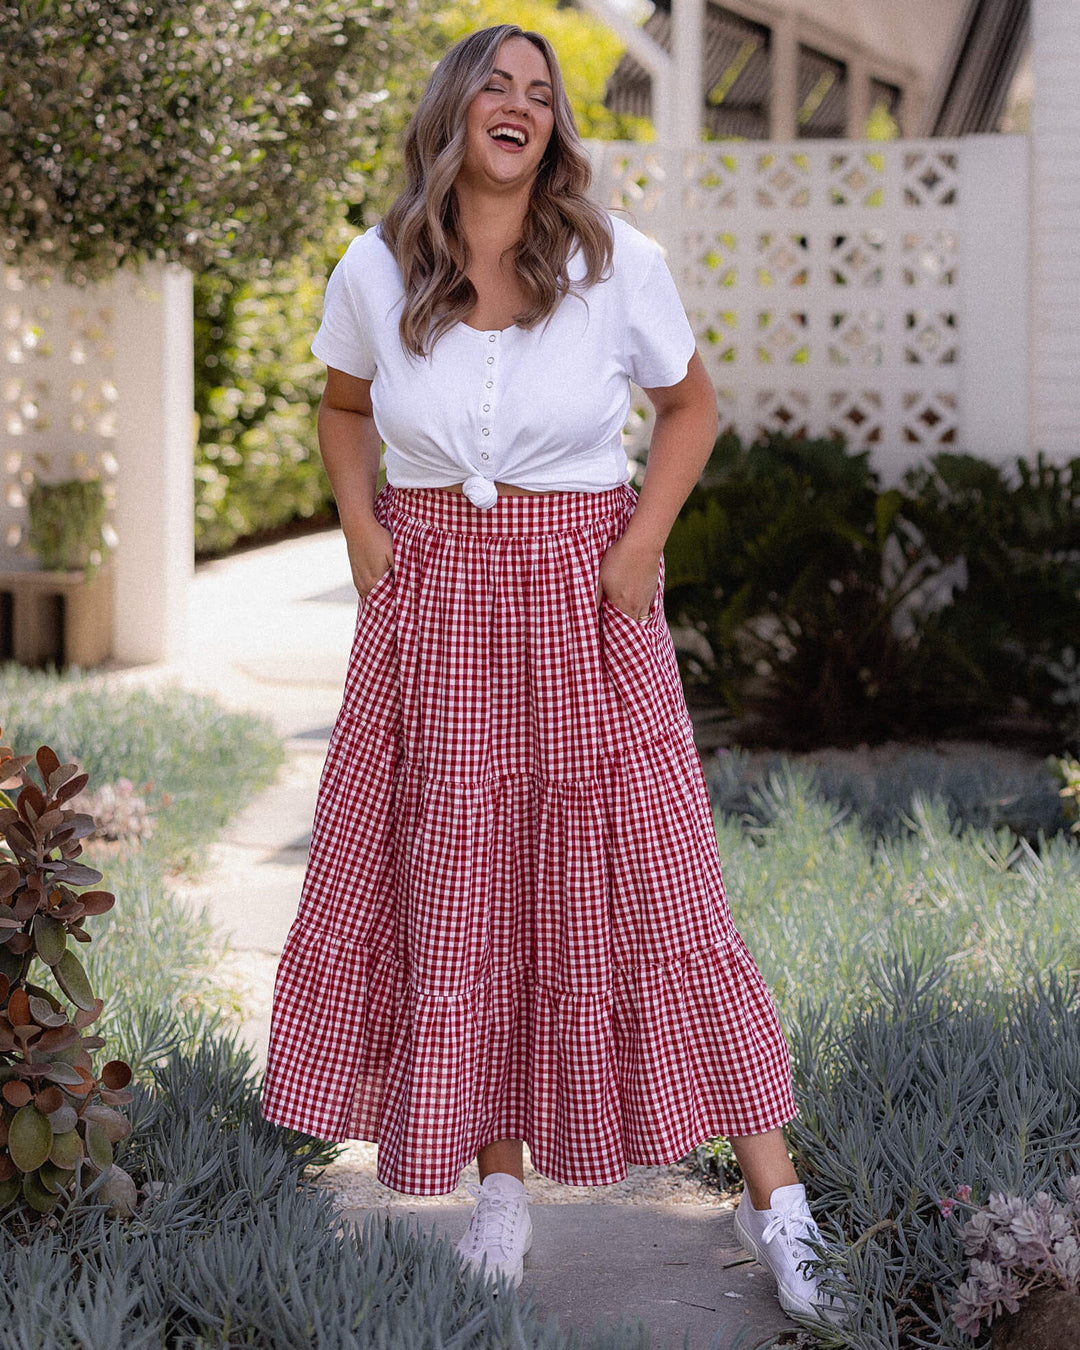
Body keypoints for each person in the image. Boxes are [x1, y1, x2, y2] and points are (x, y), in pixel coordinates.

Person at [260, 23, 843, 1326]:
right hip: (437, 603)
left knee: (663, 880)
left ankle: (776, 1197)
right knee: (466, 892)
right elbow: (344, 407)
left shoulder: (614, 261)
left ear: (552, 128)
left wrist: (641, 546)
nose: (520, 104)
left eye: (542, 92)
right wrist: (362, 528)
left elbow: (690, 404)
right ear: (455, 112)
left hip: (584, 598)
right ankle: (500, 1199)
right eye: (497, 85)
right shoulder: (375, 267)